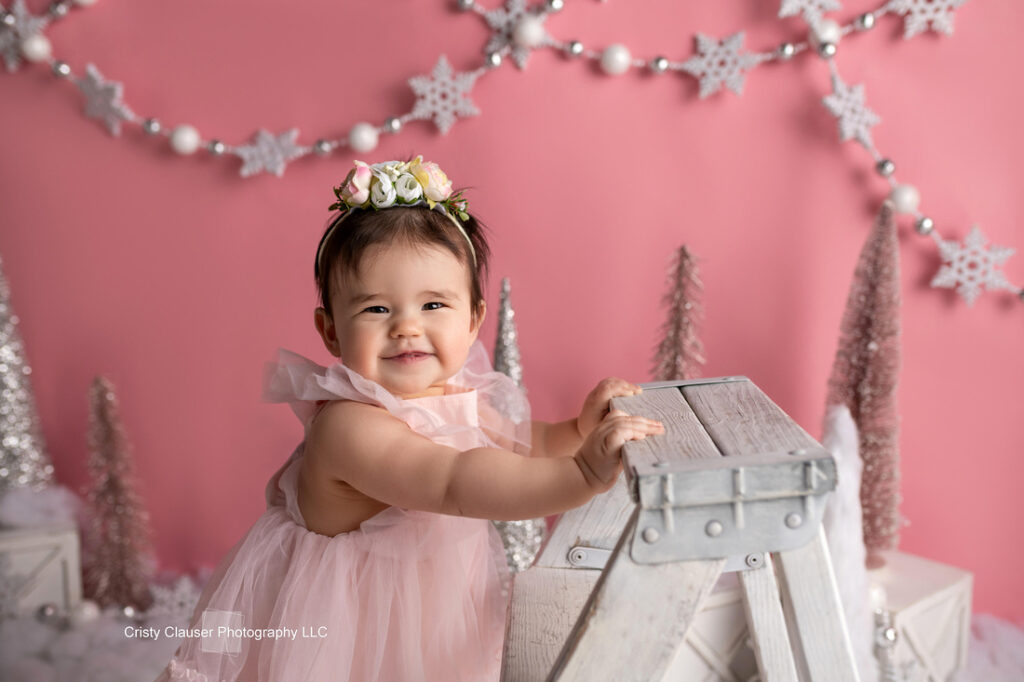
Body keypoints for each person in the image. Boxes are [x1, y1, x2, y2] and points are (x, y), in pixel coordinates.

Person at [157, 156, 664, 682]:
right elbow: (453, 480)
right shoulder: (351, 427)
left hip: (426, 619)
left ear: (473, 320)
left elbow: (518, 446)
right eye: (376, 310)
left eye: (433, 305)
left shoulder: (455, 393)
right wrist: (580, 476)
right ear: (330, 332)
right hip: (345, 637)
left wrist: (576, 432)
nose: (406, 328)